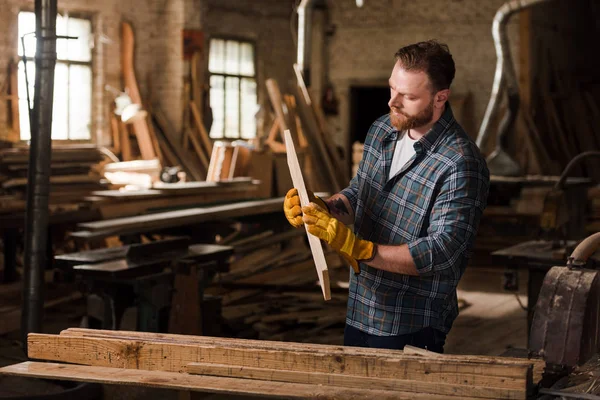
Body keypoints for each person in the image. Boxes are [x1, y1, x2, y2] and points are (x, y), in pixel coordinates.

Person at [283, 40, 490, 352]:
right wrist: (321, 207)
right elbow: (358, 194)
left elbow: (442, 252)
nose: (393, 101)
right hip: (361, 306)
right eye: (392, 87)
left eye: (407, 96)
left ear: (440, 98)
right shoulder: (382, 131)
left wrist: (361, 249)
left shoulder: (461, 163)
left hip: (412, 321)